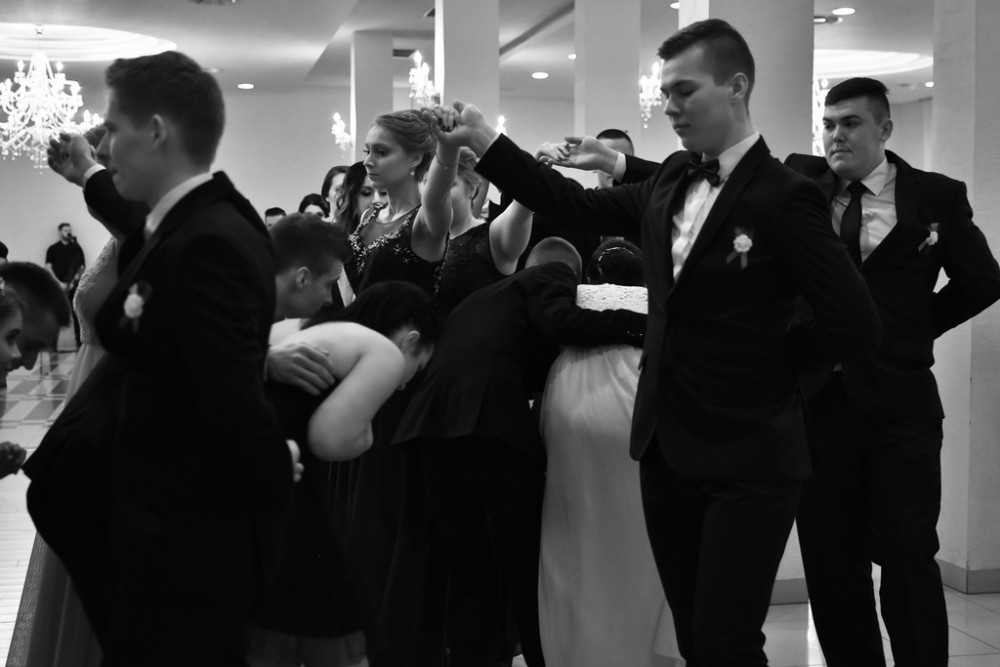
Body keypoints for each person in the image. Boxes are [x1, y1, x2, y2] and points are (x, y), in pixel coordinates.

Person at [440, 18, 882, 665]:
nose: (669, 106)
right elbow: (576, 205)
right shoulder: (674, 177)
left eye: (684, 90)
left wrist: (770, 365)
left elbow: (855, 322)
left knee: (727, 640)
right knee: (691, 636)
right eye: (666, 91)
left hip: (750, 452)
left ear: (736, 87)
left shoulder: (785, 196)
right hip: (665, 447)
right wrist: (487, 141)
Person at [57, 50, 298, 665]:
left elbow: (230, 395)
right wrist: (88, 175)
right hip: (166, 538)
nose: (105, 146)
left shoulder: (209, 240)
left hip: (183, 545)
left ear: (157, 132)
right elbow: (148, 236)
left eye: (114, 129)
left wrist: (278, 463)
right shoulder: (198, 220)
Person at [784, 77, 1000, 667]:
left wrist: (914, 331)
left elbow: (983, 279)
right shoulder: (799, 184)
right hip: (818, 403)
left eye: (850, 123)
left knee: (908, 551)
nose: (835, 135)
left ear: (884, 128)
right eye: (828, 124)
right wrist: (619, 164)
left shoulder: (936, 196)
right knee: (831, 558)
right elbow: (724, 178)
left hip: (901, 405)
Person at [394, 238, 646, 667]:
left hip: (429, 432)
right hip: (491, 430)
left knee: (472, 574)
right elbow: (564, 322)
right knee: (530, 567)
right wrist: (650, 324)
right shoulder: (553, 272)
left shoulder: (483, 301)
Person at [249, 281, 442, 667]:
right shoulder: (383, 352)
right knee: (328, 602)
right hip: (283, 486)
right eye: (417, 366)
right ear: (409, 340)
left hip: (248, 479)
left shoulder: (303, 327)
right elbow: (330, 441)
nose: (405, 383)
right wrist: (367, 435)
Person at [537, 240, 680, 667]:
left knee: (574, 536)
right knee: (646, 535)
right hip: (639, 401)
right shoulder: (664, 306)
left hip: (572, 401)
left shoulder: (573, 302)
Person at [434, 147, 533, 315]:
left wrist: (532, 168)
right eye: (431, 182)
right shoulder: (418, 238)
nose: (436, 191)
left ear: (471, 189)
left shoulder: (492, 236)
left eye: (448, 184)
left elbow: (525, 201)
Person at [44, 223, 85, 348]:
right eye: (65, 230)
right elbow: (48, 267)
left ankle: (79, 342)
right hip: (57, 285)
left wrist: (72, 282)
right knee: (55, 312)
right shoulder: (53, 248)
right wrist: (59, 283)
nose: (68, 232)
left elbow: (81, 266)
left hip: (73, 285)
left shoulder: (76, 248)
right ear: (60, 232)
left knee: (76, 312)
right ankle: (52, 344)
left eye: (69, 230)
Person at [332, 161, 375, 236]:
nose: (377, 200)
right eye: (366, 193)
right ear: (351, 197)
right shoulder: (333, 237)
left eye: (383, 193)